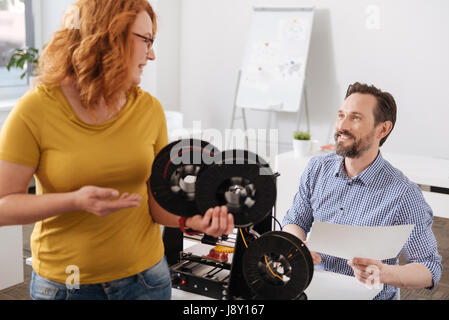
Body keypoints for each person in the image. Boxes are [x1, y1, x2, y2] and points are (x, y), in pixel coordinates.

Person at [0, 0, 234, 300]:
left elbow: (155, 202)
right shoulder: (35, 110)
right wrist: (73, 201)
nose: (152, 54)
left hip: (146, 280)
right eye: (146, 40)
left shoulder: (149, 109)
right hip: (67, 285)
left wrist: (189, 221)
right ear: (108, 36)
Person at [282, 82, 442, 300]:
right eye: (341, 115)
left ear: (383, 129)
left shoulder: (403, 194)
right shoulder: (317, 169)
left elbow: (429, 269)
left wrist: (385, 273)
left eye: (355, 118)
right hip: (312, 292)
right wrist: (298, 247)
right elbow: (295, 221)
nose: (341, 126)